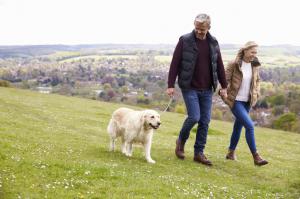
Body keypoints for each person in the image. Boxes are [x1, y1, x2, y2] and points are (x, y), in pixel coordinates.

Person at [166, 13, 228, 166]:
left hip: (207, 88)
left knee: (205, 121)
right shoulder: (185, 40)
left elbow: (219, 65)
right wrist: (170, 85)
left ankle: (198, 153)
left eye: (202, 29)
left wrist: (224, 86)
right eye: (197, 28)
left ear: (209, 27)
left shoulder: (213, 42)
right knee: (194, 117)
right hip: (189, 86)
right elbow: (175, 63)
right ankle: (180, 141)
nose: (199, 31)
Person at [220, 41, 268, 166]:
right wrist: (223, 91)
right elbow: (225, 81)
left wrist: (256, 93)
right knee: (250, 126)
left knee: (238, 127)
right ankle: (256, 157)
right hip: (235, 101)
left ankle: (230, 153)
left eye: (256, 52)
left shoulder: (255, 65)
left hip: (248, 102)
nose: (254, 55)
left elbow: (257, 81)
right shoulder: (234, 64)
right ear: (245, 51)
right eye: (252, 52)